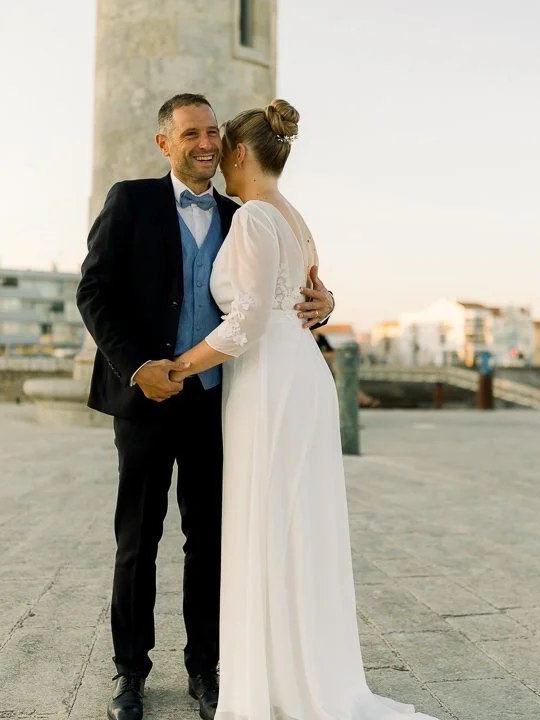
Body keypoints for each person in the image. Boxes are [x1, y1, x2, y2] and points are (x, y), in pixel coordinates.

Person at [170, 100, 436, 720]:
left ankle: (274, 679)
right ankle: (302, 666)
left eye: (222, 148)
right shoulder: (296, 218)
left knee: (269, 520)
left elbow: (250, 318)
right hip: (301, 374)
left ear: (239, 153)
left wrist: (179, 366)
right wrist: (329, 300)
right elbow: (310, 294)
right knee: (298, 523)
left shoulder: (253, 218)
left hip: (270, 381)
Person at [75, 93, 335, 720]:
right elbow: (93, 291)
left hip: (216, 404)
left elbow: (278, 294)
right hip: (143, 399)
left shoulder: (242, 210)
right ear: (164, 142)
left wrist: (324, 303)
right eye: (191, 132)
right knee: (136, 542)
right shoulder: (129, 201)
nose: (205, 143)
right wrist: (138, 366)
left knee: (208, 543)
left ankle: (205, 670)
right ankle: (130, 673)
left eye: (214, 132)